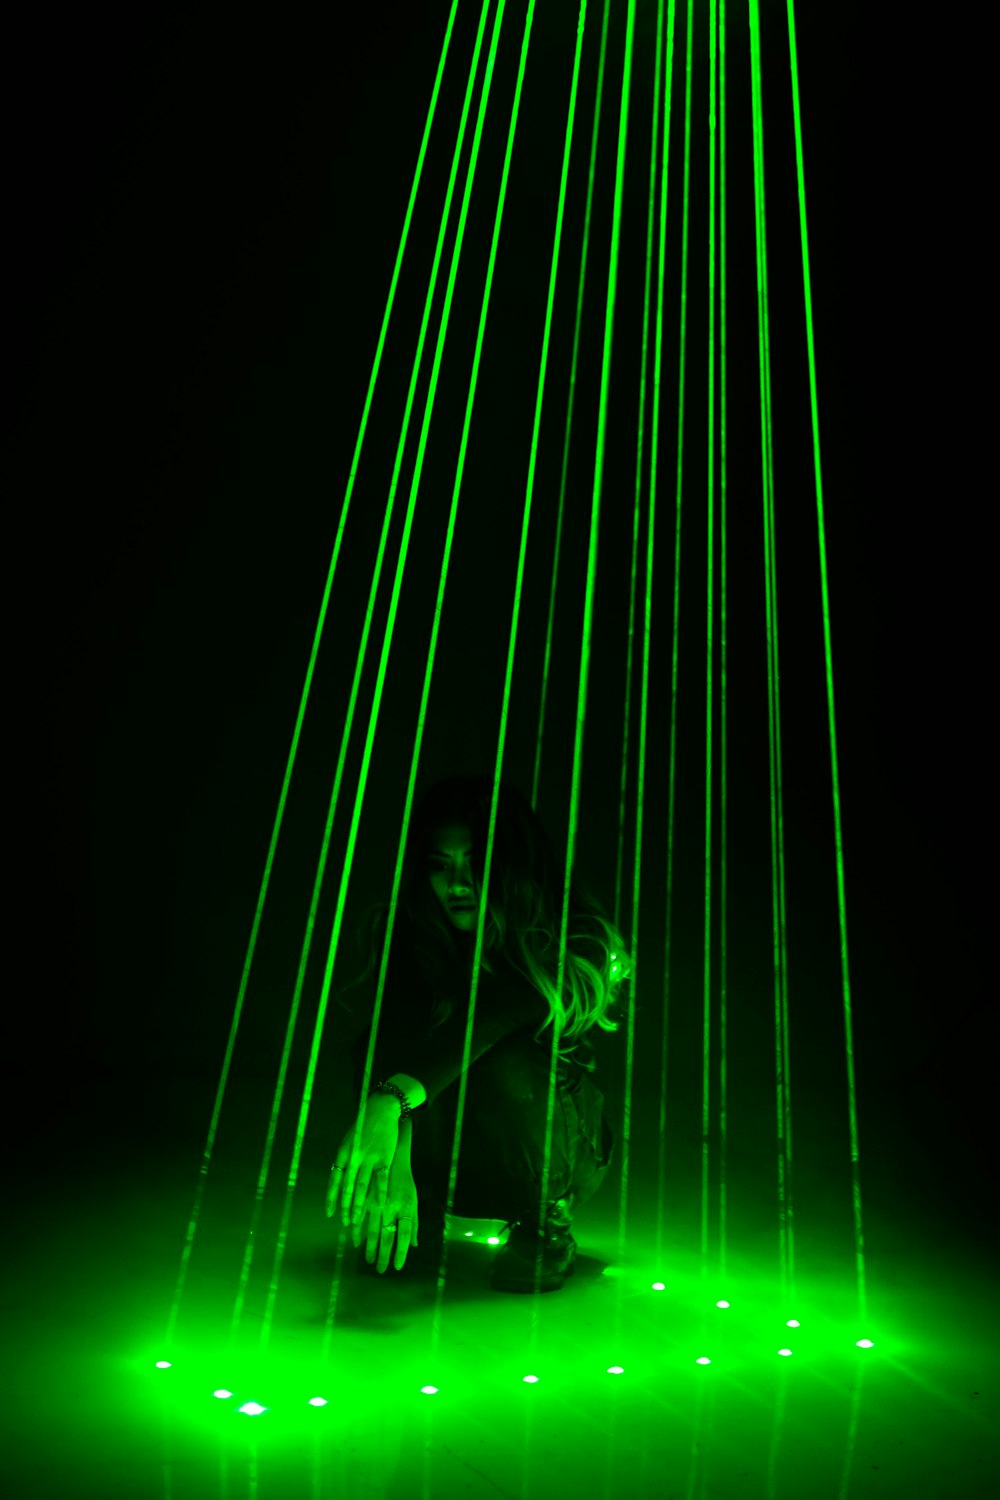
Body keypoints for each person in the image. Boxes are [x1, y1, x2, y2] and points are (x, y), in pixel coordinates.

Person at [330, 773, 629, 1290]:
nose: (458, 885)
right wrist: (397, 1162)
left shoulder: (575, 938)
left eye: (477, 864)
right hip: (453, 1139)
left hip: (551, 1145)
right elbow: (395, 1041)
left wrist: (387, 1102)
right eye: (441, 867)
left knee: (503, 1058)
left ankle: (543, 1223)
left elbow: (484, 1024)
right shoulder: (413, 931)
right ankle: (413, 1212)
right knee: (390, 1050)